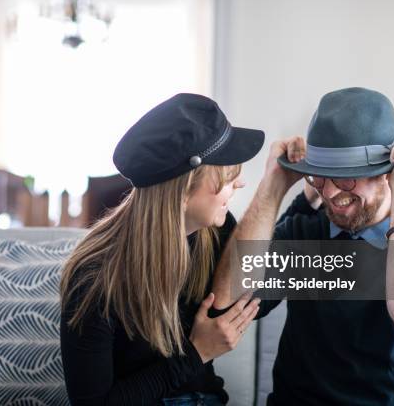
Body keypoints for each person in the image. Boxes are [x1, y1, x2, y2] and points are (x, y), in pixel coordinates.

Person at [211, 87, 394, 405]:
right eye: (320, 177)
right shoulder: (306, 233)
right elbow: (227, 302)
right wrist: (274, 184)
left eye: (348, 178)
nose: (331, 193)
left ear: (388, 172)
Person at [59, 93, 266, 406]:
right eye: (226, 176)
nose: (239, 185)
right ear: (183, 193)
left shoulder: (214, 231)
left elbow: (265, 292)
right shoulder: (95, 277)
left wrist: (279, 185)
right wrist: (196, 353)